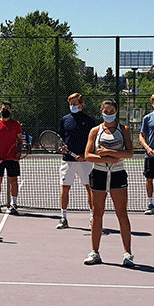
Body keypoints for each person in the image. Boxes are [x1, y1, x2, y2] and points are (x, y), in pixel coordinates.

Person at [83, 99, 135, 267]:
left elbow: (129, 154)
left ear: (117, 111)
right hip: (98, 174)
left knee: (122, 214)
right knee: (97, 214)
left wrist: (109, 152)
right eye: (106, 111)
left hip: (118, 174)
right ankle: (94, 252)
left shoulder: (124, 130)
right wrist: (106, 157)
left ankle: (127, 254)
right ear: (101, 111)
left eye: (112, 111)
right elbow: (88, 155)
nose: (109, 114)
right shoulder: (95, 131)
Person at [56, 92, 95, 229]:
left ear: (81, 105)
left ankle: (92, 218)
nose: (72, 106)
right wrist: (62, 147)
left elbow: (93, 141)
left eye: (75, 103)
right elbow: (60, 140)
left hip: (86, 161)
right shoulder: (64, 120)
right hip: (68, 160)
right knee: (65, 188)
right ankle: (63, 218)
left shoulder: (90, 121)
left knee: (90, 188)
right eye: (70, 103)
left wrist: (85, 155)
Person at [0, 101, 24, 215]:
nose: (5, 110)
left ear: (11, 111)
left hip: (12, 159)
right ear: (0, 110)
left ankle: (14, 204)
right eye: (3, 108)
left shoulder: (16, 124)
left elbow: (19, 141)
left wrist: (18, 153)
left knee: (13, 181)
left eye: (7, 108)